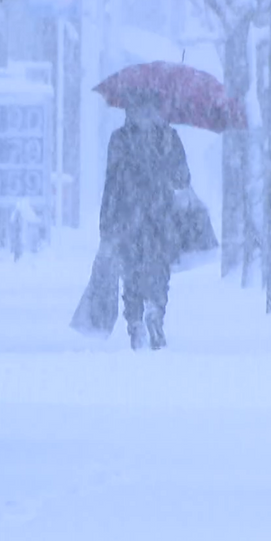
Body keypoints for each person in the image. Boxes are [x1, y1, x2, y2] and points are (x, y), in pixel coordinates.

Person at [98, 93, 192, 350]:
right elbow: (183, 179)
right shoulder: (169, 138)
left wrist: (106, 221)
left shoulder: (119, 139)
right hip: (161, 214)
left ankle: (136, 320)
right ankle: (155, 309)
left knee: (130, 271)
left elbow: (111, 181)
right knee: (159, 268)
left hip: (127, 214)